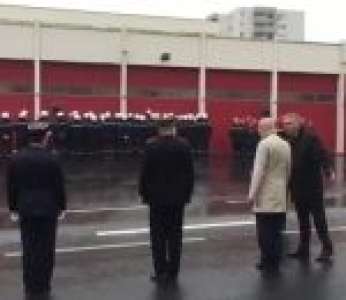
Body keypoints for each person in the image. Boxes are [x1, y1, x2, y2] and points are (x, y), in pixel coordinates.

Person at [6, 121, 66, 299]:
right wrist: (62, 206)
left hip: (25, 207)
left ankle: (30, 285)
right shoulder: (52, 158)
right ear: (45, 137)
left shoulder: (16, 159)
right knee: (46, 248)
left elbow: (11, 186)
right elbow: (58, 185)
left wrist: (13, 207)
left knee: (29, 247)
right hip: (48, 208)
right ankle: (43, 284)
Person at [139, 119, 194, 284]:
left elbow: (145, 173)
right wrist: (187, 195)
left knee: (158, 237)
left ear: (159, 129)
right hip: (178, 200)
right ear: (173, 129)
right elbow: (189, 173)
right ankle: (173, 271)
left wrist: (143, 194)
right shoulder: (184, 145)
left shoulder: (151, 146)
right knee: (175, 236)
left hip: (156, 200)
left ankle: (160, 271)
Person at [282, 113, 334, 262]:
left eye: (289, 123)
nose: (286, 126)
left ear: (298, 124)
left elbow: (323, 154)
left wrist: (328, 170)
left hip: (312, 186)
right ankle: (303, 248)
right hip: (297, 186)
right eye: (284, 123)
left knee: (319, 219)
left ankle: (327, 247)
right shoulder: (287, 139)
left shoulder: (310, 138)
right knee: (302, 219)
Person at [249, 118, 291, 273]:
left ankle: (266, 260)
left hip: (265, 194)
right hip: (280, 193)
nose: (258, 132)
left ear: (264, 128)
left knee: (264, 231)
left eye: (259, 128)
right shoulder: (285, 144)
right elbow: (288, 169)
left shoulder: (264, 144)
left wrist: (252, 194)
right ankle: (275, 261)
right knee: (277, 230)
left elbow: (258, 171)